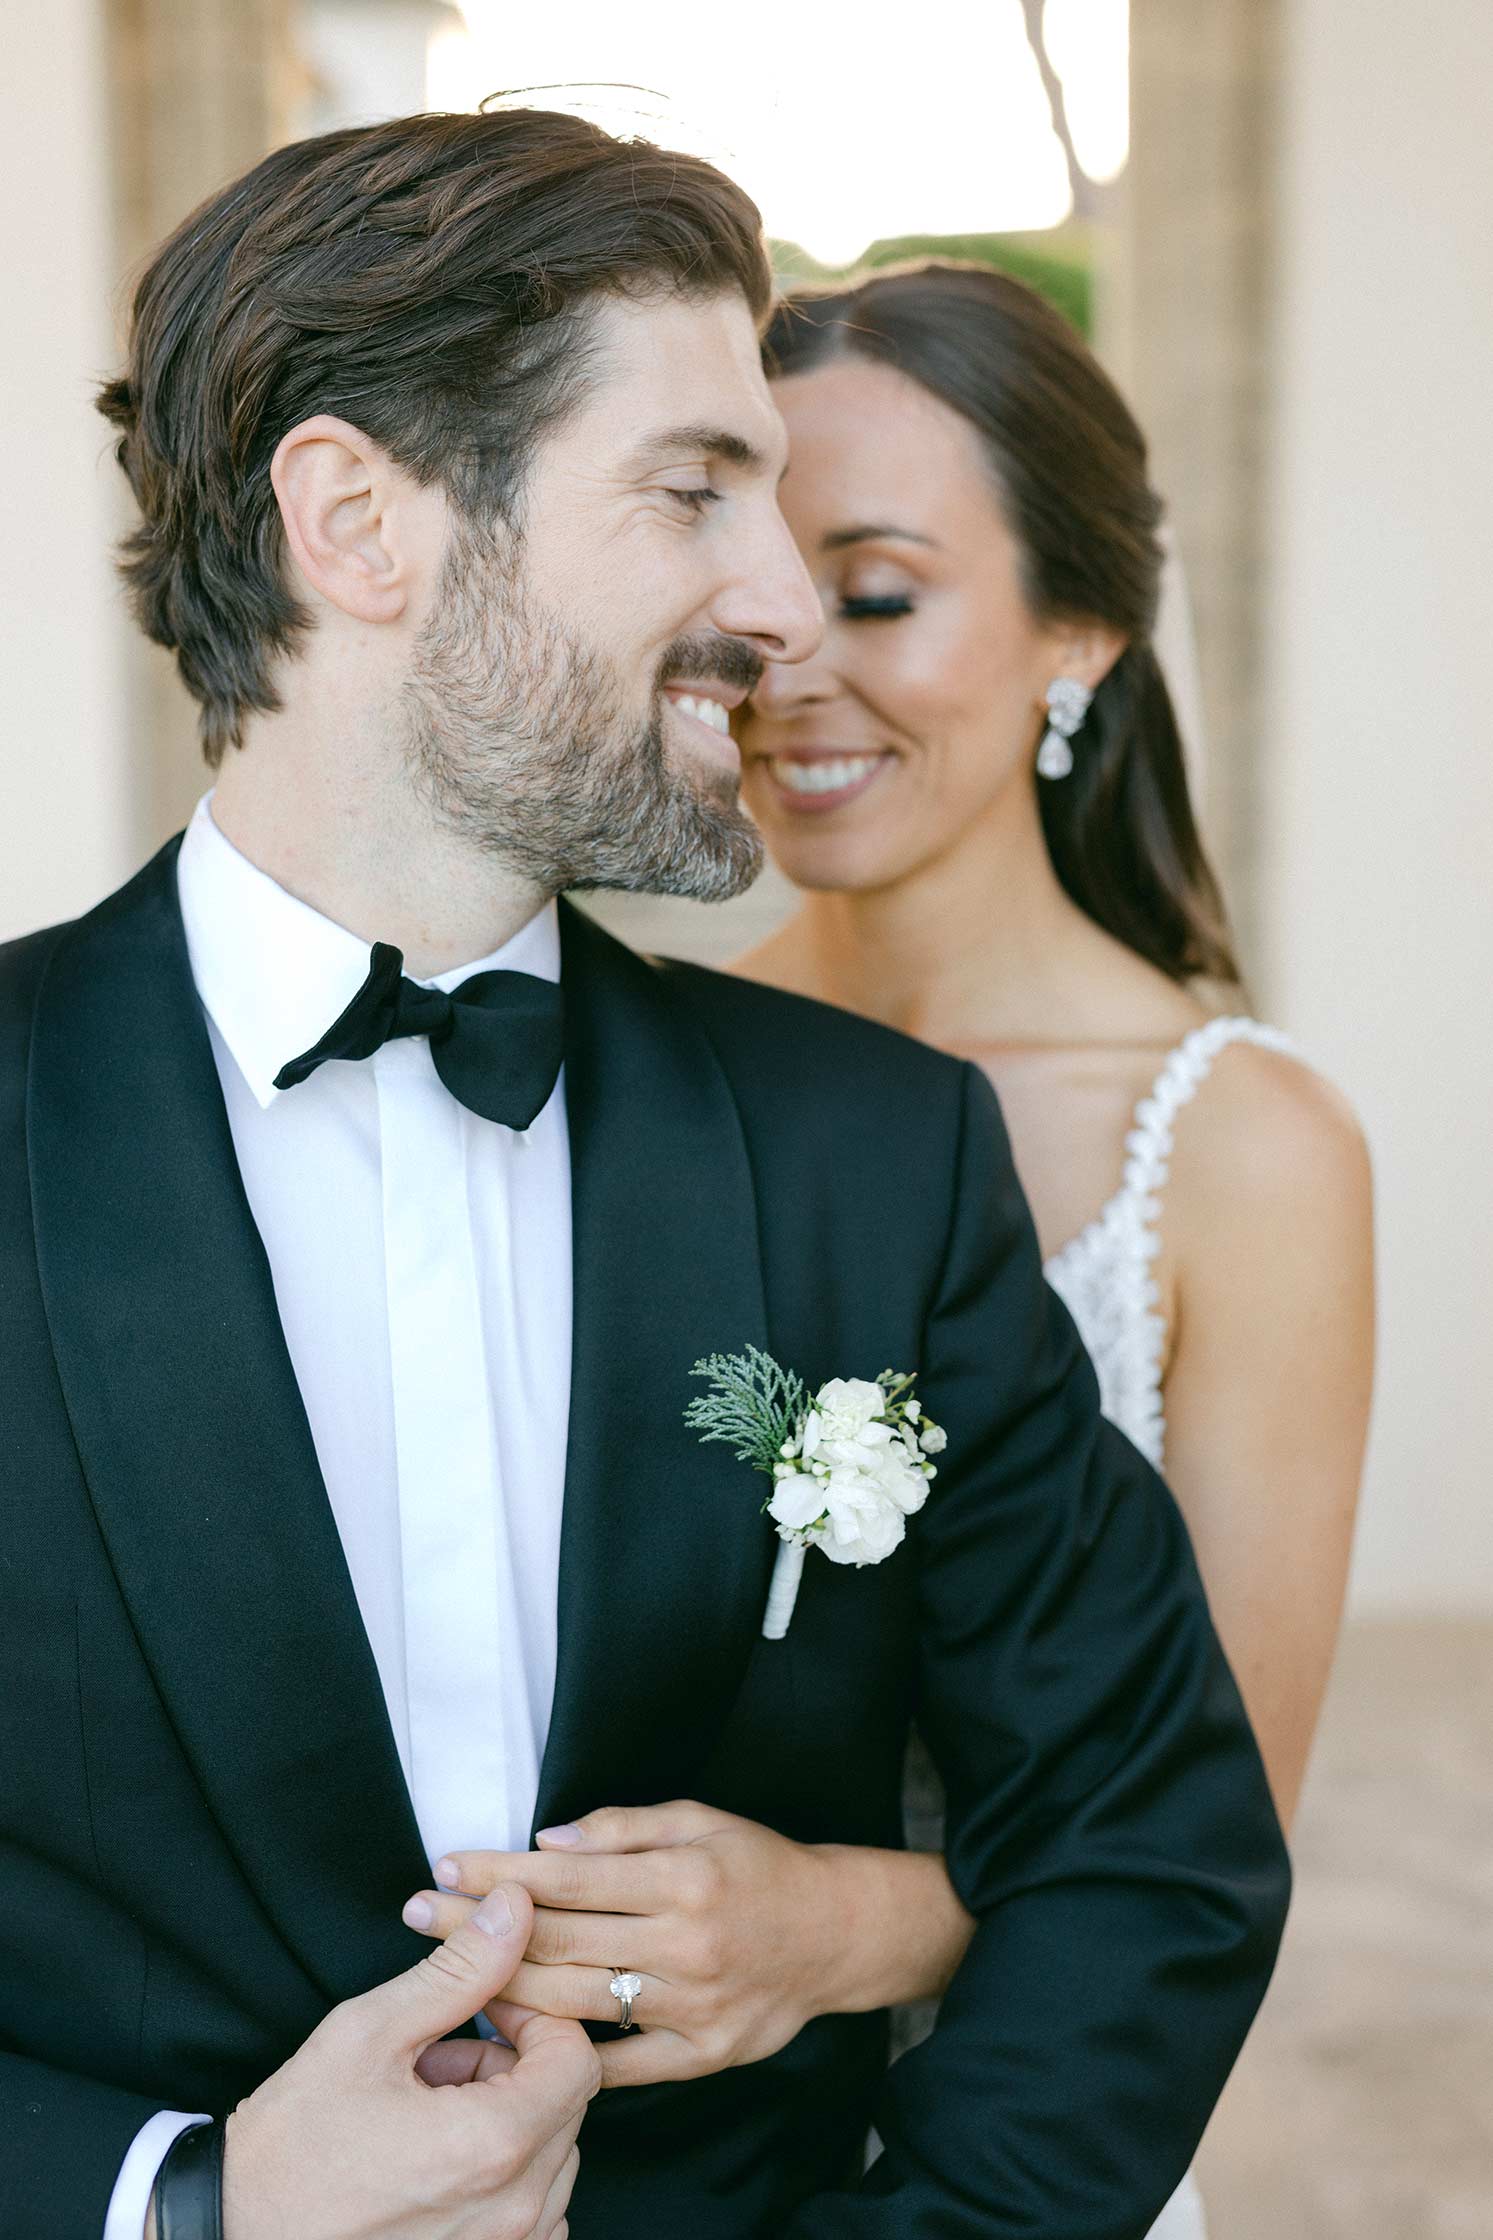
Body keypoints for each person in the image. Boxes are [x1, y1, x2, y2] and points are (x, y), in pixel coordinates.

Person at [0, 117, 1290, 2239]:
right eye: (694, 490)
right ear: (358, 522)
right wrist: (180, 2202)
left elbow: (1153, 1832)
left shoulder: (872, 1154)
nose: (781, 608)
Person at [401, 266, 1372, 2239]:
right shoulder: (622, 1060)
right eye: (743, 574)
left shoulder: (1245, 1148)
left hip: (1016, 2131)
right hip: (597, 2142)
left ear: (1077, 627)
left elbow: (1210, 1831)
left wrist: (829, 1925)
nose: (787, 657)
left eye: (880, 588)